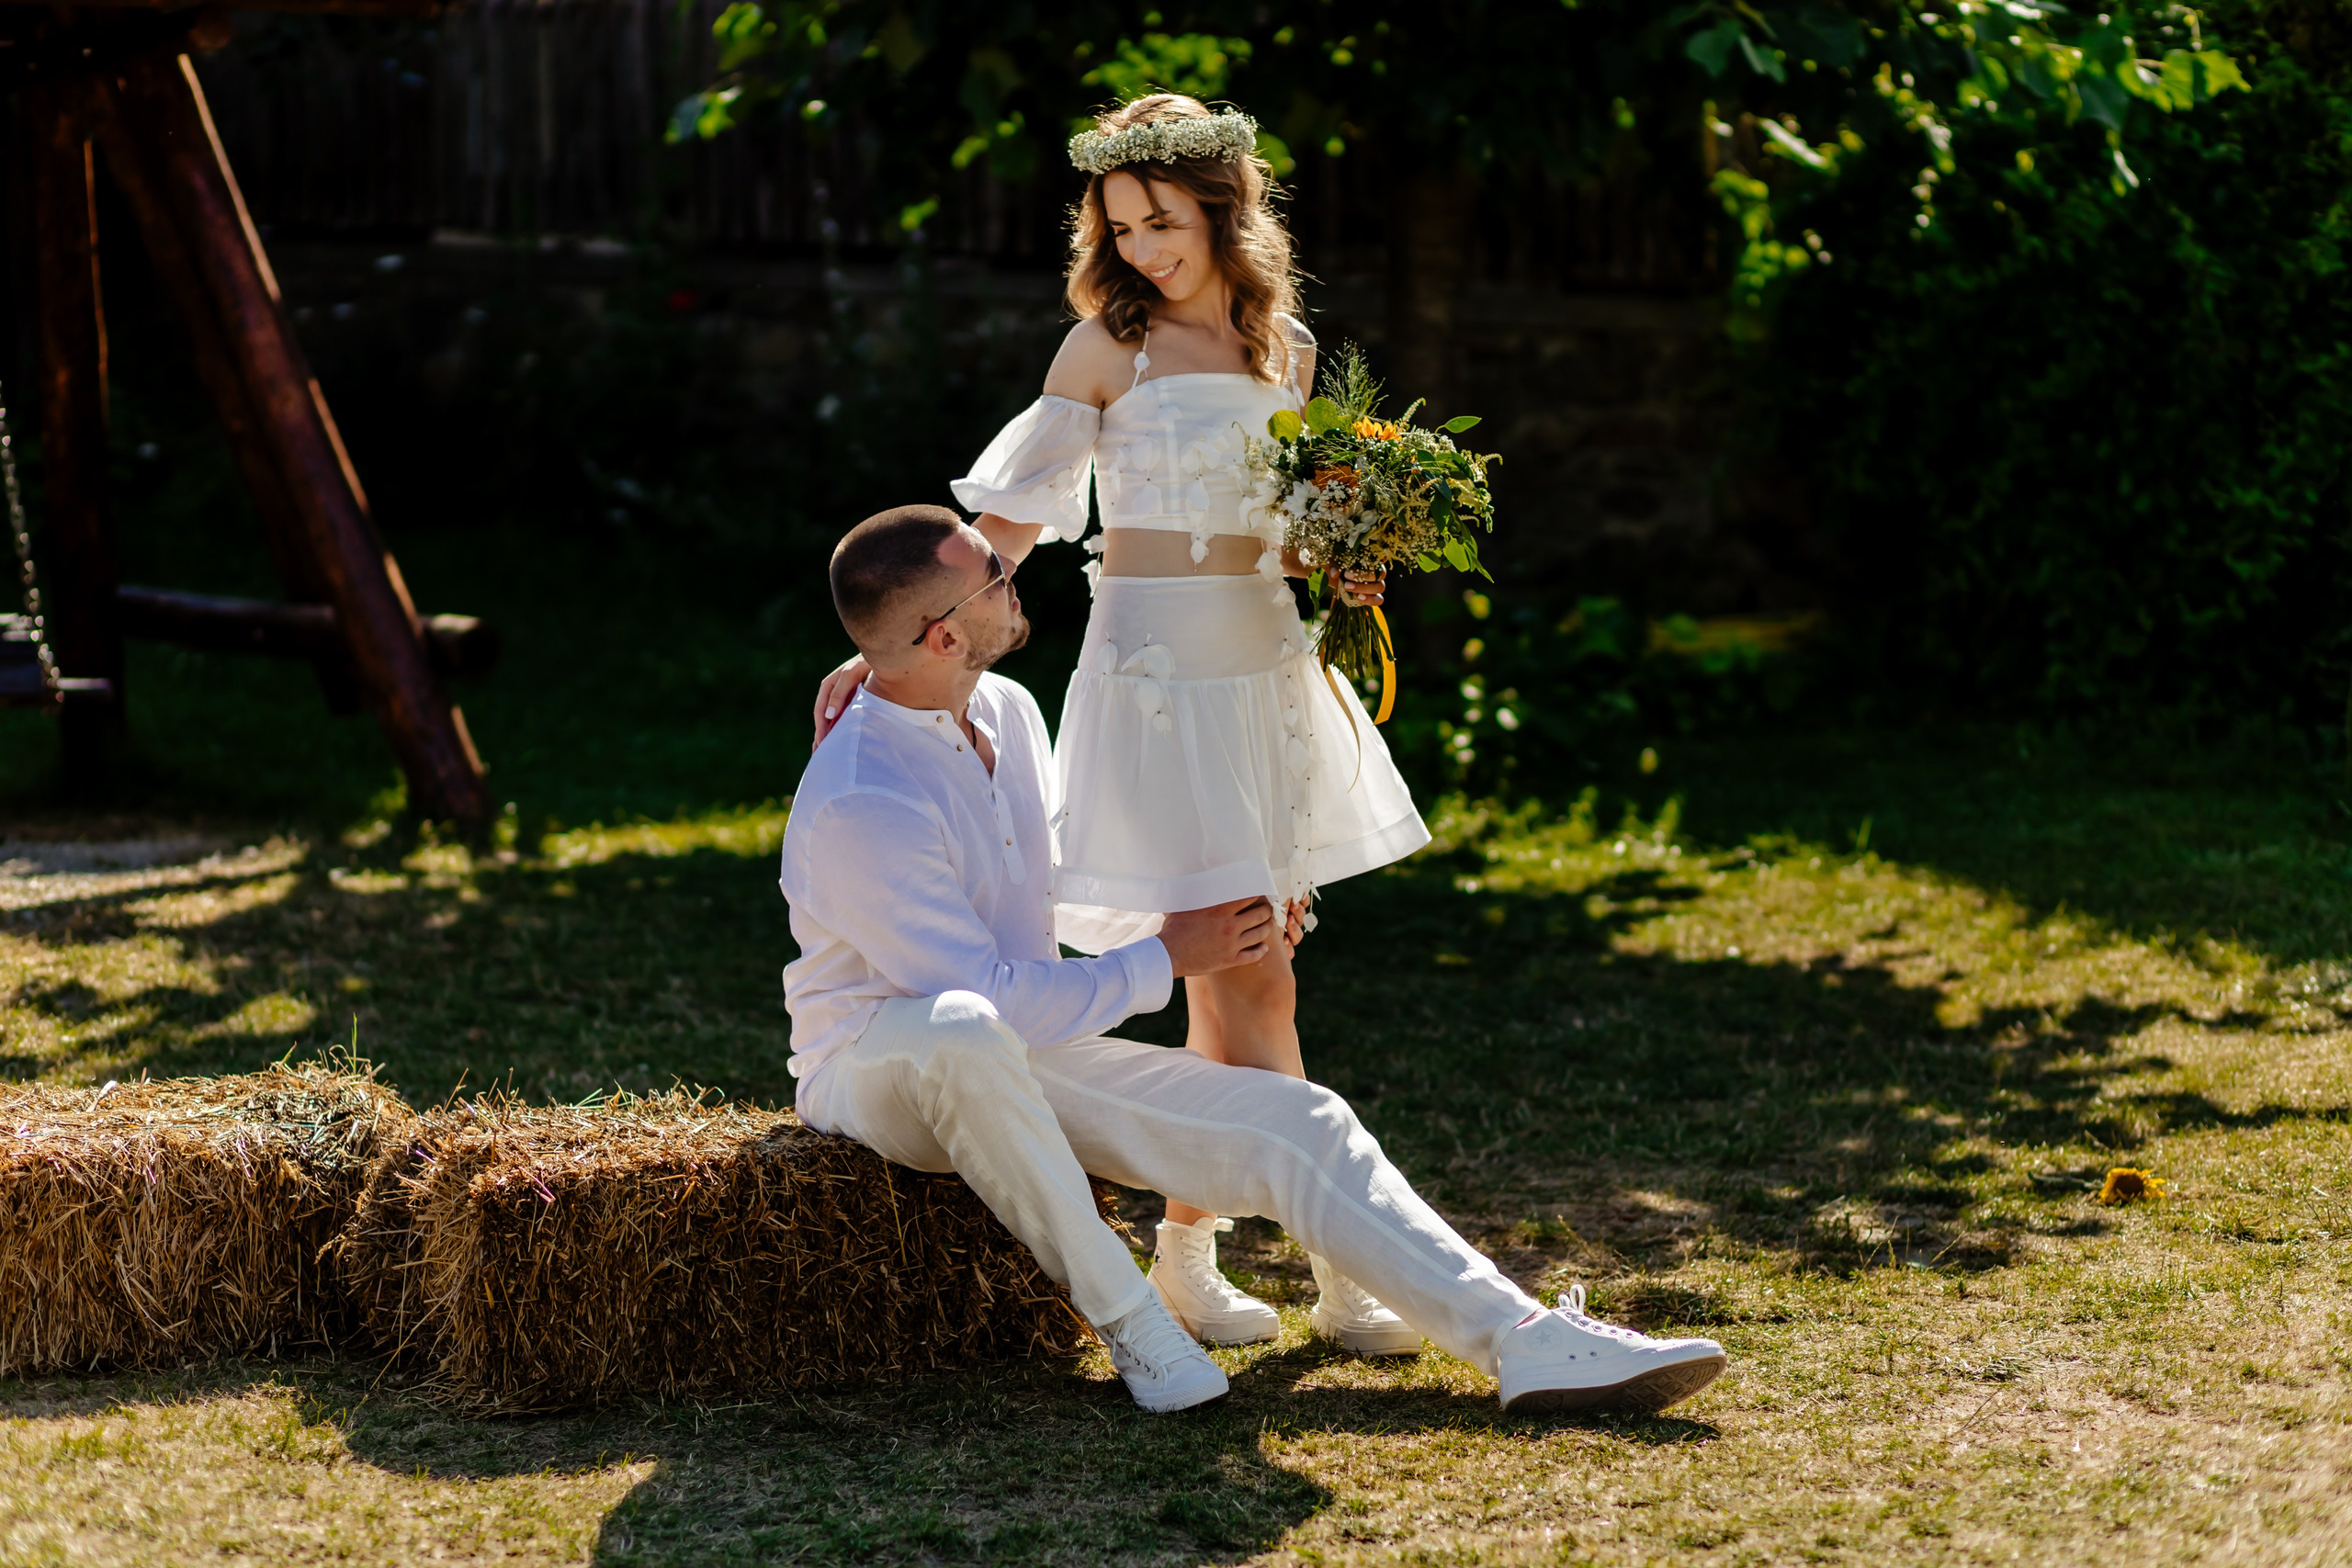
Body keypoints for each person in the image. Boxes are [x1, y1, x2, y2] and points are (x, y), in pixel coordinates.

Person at [781, 503, 1728, 1417]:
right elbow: (980, 997)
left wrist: (1230, 903)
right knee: (963, 1030)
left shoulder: (1009, 709)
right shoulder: (866, 793)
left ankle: (1524, 1341)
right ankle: (1131, 1319)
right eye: (992, 574)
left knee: (1304, 1120)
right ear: (942, 636)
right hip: (876, 1063)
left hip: (1021, 1049)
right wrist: (1170, 953)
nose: (1009, 571)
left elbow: (1055, 881)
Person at [808, 94, 1430, 1356]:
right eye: (1122, 227)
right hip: (1155, 686)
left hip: (1262, 670)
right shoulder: (1109, 348)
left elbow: (1290, 530)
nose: (1144, 248)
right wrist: (881, 644)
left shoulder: (1288, 350)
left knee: (1253, 971)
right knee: (1250, 967)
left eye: (1164, 222)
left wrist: (1345, 560)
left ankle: (1203, 1255)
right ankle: (1327, 1259)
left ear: (1223, 209)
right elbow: (1010, 532)